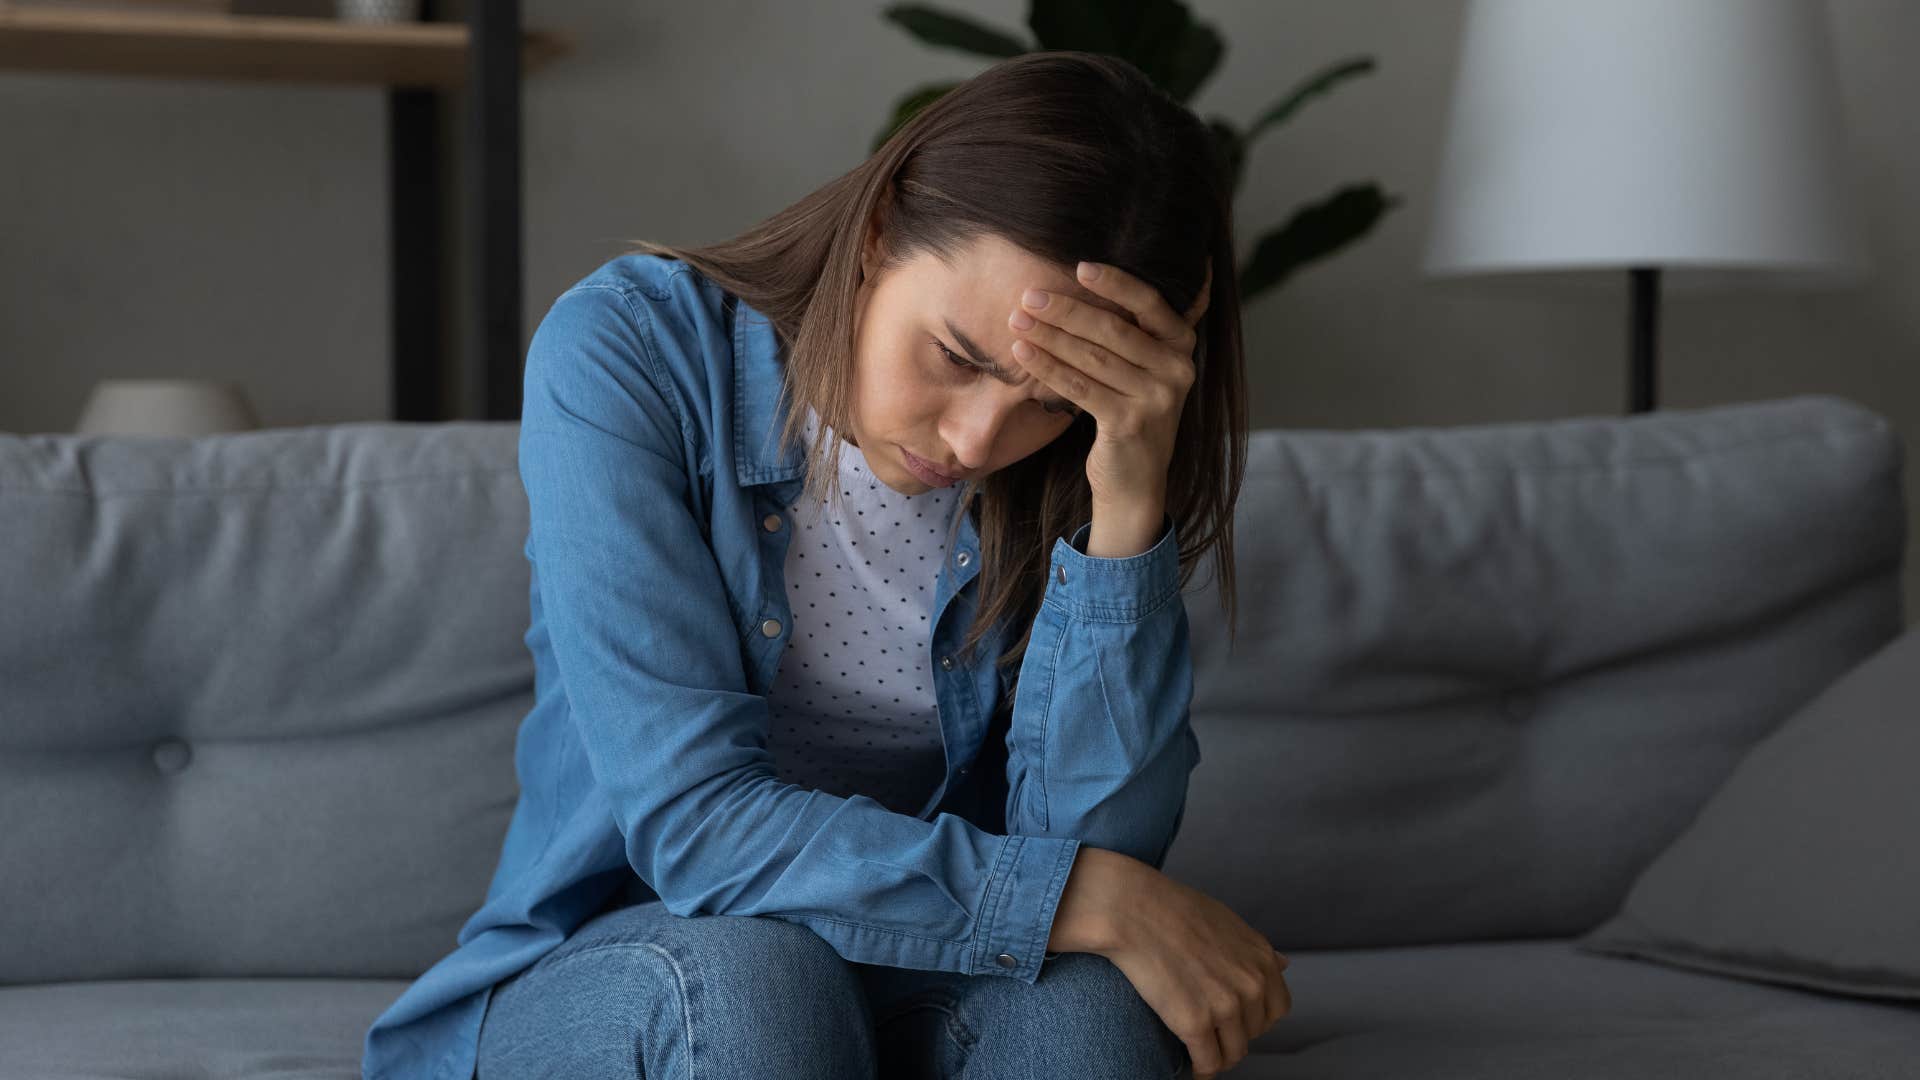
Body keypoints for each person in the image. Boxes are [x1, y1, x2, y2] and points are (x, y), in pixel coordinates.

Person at [362, 50, 1289, 1080]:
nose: (981, 440)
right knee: (764, 985)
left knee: (1094, 1017)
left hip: (923, 972)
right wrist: (1076, 897)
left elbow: (1101, 849)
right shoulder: (630, 353)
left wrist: (1127, 506)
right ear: (880, 230)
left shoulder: (1074, 470)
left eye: (1053, 402)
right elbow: (695, 826)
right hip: (641, 960)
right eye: (957, 357)